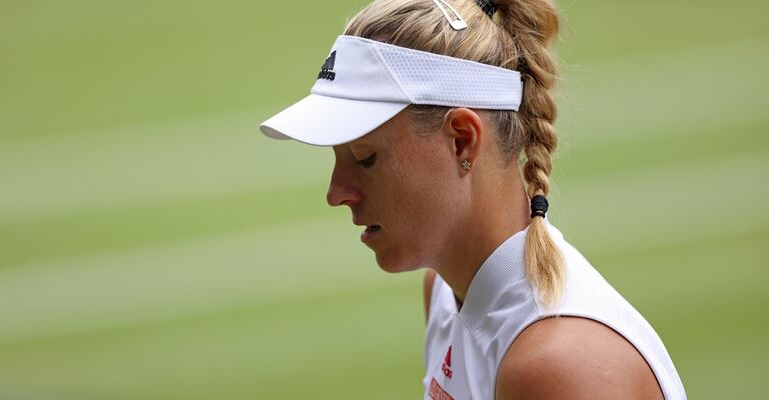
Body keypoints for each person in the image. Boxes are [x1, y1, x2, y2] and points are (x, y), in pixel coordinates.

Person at [259, 0, 686, 398]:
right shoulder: (446, 292)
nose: (337, 193)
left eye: (366, 158)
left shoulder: (558, 365)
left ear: (462, 140)